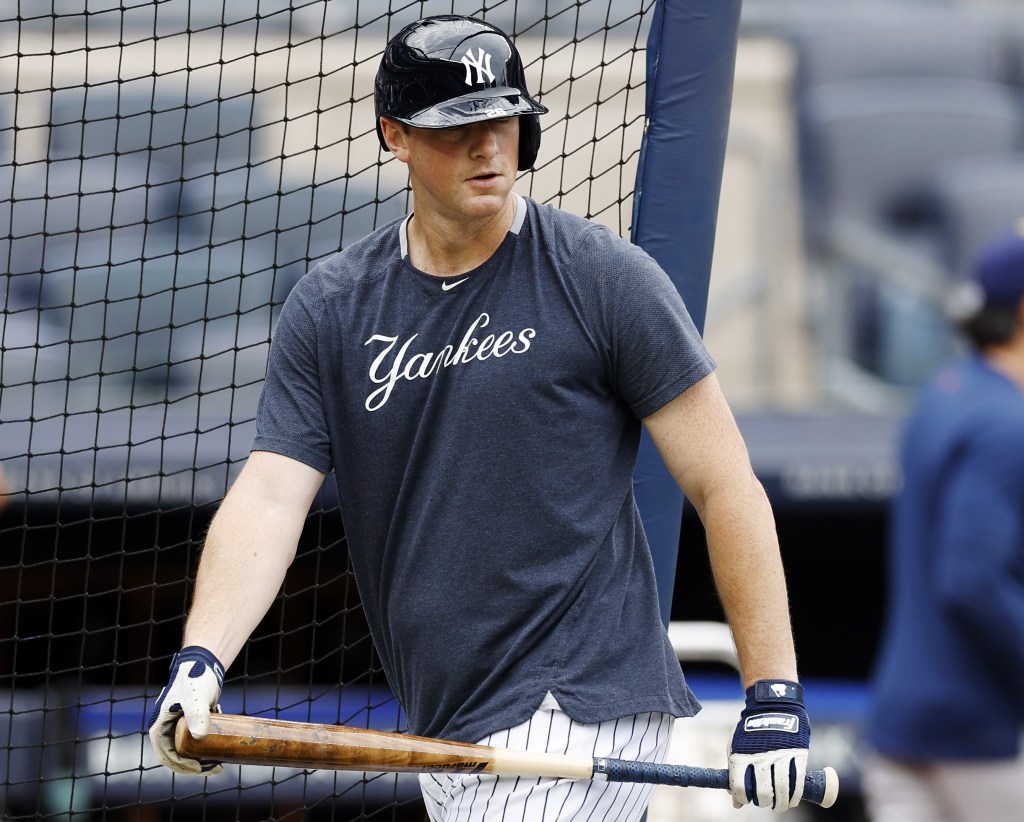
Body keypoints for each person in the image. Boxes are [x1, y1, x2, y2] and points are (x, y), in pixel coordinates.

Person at [148, 15, 812, 820]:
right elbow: (269, 498)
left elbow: (725, 483)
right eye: (458, 127)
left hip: (578, 705)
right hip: (453, 722)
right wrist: (202, 661)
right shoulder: (333, 305)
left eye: (503, 122)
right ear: (394, 136)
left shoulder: (603, 278)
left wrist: (772, 693)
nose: (489, 148)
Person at [862, 225, 1024, 822]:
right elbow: (971, 580)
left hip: (903, 729)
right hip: (979, 741)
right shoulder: (1007, 423)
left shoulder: (945, 391)